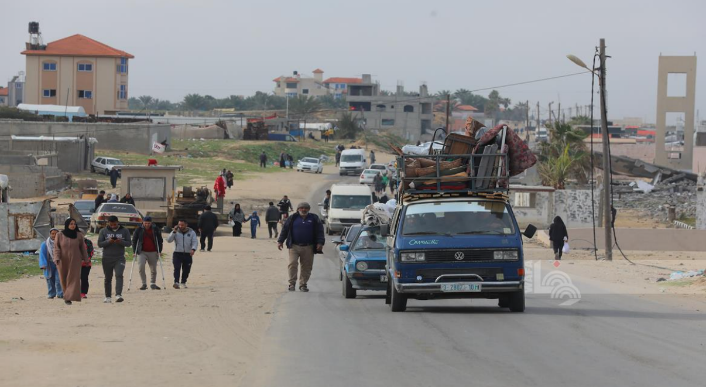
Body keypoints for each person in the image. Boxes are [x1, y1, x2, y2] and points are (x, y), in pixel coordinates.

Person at [277, 202, 325, 292]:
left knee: (306, 266)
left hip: (309, 247)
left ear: (309, 209)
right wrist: (280, 241)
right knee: (292, 264)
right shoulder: (293, 218)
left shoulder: (314, 218)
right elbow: (285, 230)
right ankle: (292, 284)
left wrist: (320, 243)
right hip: (294, 246)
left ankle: (303, 284)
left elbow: (320, 231)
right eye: (301, 208)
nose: (304, 209)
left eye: (306, 208)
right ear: (298, 209)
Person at [53, 218, 89, 305]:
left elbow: (82, 248)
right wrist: (56, 258)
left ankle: (69, 296)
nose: (73, 225)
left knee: (73, 278)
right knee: (63, 278)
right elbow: (56, 247)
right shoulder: (60, 235)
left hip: (75, 260)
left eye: (74, 224)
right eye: (71, 224)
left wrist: (86, 259)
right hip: (62, 260)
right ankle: (66, 295)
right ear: (67, 225)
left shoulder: (79, 235)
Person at [98, 215, 131, 303]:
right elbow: (100, 244)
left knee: (119, 274)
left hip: (119, 257)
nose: (113, 226)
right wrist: (109, 241)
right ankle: (108, 297)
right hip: (107, 258)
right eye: (111, 224)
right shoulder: (103, 231)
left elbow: (129, 243)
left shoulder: (125, 230)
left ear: (117, 222)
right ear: (108, 223)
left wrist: (120, 241)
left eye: (115, 224)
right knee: (108, 277)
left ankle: (118, 295)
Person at [132, 216, 164, 290]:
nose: (147, 225)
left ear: (151, 223)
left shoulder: (155, 229)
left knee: (153, 269)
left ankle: (153, 283)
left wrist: (159, 251)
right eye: (145, 223)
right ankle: (144, 283)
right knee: (141, 267)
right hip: (141, 251)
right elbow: (134, 241)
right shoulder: (138, 230)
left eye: (149, 223)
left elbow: (160, 240)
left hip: (153, 251)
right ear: (142, 222)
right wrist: (134, 251)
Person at [167, 220, 198, 289]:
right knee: (177, 268)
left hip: (188, 254)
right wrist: (173, 232)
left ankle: (183, 282)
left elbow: (195, 241)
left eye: (182, 225)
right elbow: (169, 240)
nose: (180, 226)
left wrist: (193, 249)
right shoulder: (175, 232)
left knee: (186, 269)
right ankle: (176, 282)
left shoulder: (192, 232)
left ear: (186, 225)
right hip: (177, 253)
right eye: (179, 225)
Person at [39, 228, 63, 299]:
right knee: (50, 279)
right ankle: (51, 293)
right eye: (52, 233)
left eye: (56, 234)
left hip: (59, 263)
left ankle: (60, 293)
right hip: (49, 264)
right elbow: (42, 254)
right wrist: (43, 264)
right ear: (50, 234)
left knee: (59, 279)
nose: (54, 235)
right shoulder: (45, 244)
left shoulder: (62, 243)